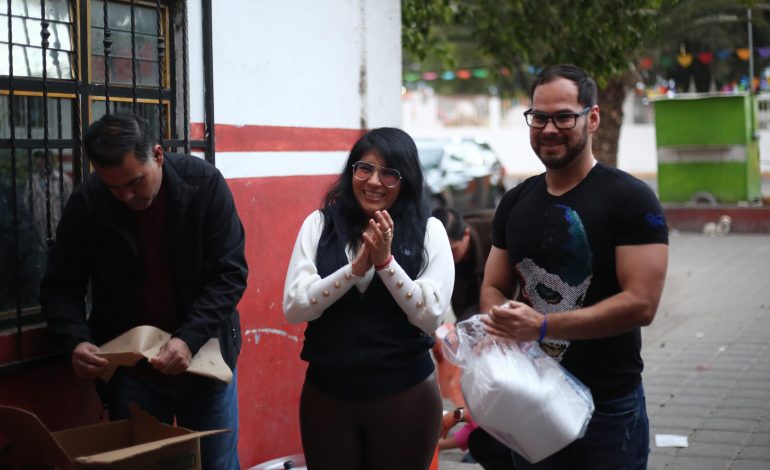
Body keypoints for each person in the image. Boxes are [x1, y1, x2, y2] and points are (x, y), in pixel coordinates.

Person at [480, 64, 669, 469]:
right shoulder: (514, 202)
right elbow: (494, 286)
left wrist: (544, 326)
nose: (549, 128)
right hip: (528, 400)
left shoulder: (631, 200)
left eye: (564, 116)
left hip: (606, 408)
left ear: (592, 118)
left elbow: (641, 304)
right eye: (539, 117)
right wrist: (498, 322)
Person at [40, 113, 248, 470]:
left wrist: (189, 339)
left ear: (158, 154)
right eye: (113, 188)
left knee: (217, 464)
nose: (125, 196)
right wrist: (75, 340)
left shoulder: (204, 185)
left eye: (135, 182)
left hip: (206, 361)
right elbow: (60, 286)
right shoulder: (89, 202)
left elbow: (229, 275)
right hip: (133, 376)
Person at [283, 127, 454, 470]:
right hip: (327, 396)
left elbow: (430, 315)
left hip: (405, 395)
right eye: (365, 169)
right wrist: (353, 270)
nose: (374, 182)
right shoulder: (320, 225)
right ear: (352, 173)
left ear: (406, 181)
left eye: (389, 173)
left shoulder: (429, 231)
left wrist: (386, 264)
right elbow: (294, 306)